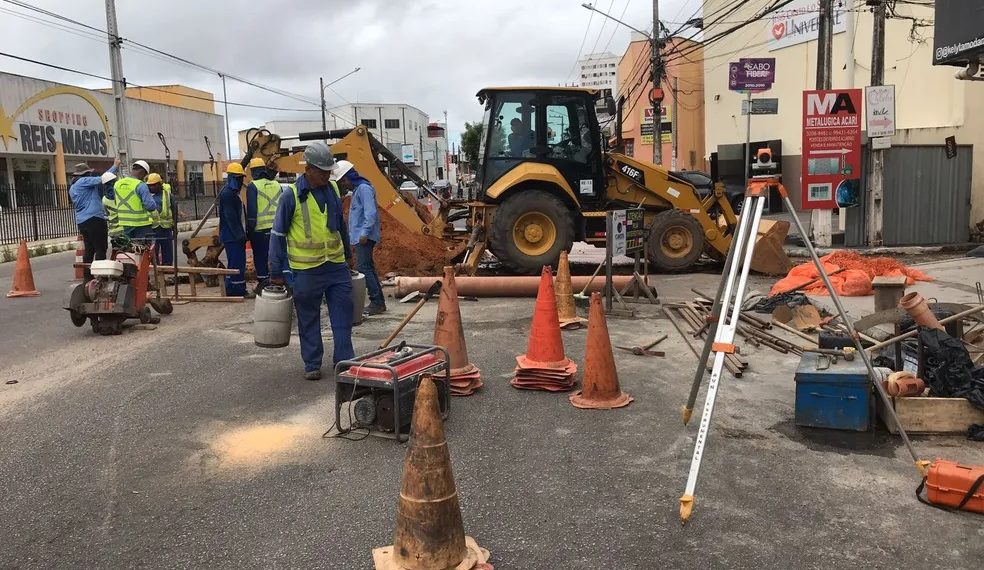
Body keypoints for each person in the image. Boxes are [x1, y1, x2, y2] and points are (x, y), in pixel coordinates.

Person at [269, 142, 354, 381]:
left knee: (343, 315)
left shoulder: (333, 189)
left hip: (336, 266)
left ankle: (344, 360)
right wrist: (276, 270)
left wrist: (348, 256)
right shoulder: (291, 196)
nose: (327, 176)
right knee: (308, 319)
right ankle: (312, 363)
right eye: (322, 171)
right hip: (306, 270)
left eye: (329, 171)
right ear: (308, 170)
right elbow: (278, 234)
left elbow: (340, 225)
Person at [332, 159, 385, 315]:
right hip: (361, 236)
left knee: (364, 268)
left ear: (349, 177)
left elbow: (371, 213)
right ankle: (379, 301)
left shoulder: (363, 189)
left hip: (365, 237)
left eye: (343, 181)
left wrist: (364, 233)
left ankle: (376, 302)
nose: (343, 184)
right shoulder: (358, 190)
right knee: (368, 267)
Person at [69, 158, 119, 279]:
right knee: (100, 248)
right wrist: (115, 166)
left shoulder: (73, 187)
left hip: (82, 221)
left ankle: (88, 278)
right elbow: (104, 178)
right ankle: (101, 277)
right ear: (86, 174)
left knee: (89, 249)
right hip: (94, 219)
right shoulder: (84, 181)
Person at [245, 157, 281, 283]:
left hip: (259, 231)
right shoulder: (277, 185)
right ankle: (278, 282)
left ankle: (263, 284)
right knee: (276, 257)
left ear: (253, 172)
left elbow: (252, 211)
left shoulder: (253, 186)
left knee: (260, 258)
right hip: (277, 229)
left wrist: (249, 230)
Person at [219, 162, 250, 298]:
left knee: (235, 263)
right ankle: (237, 290)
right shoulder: (228, 194)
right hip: (232, 236)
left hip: (233, 236)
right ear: (232, 178)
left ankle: (231, 288)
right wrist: (240, 235)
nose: (241, 181)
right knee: (237, 264)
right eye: (238, 178)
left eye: (241, 178)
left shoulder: (232, 193)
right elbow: (230, 217)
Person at [109, 160, 159, 240]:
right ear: (142, 172)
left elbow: (115, 201)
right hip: (141, 225)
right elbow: (150, 206)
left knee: (129, 246)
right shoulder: (140, 185)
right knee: (144, 247)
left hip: (124, 224)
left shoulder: (117, 184)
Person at [146, 173, 177, 265]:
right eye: (150, 185)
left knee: (167, 251)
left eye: (154, 185)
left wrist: (175, 227)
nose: (151, 187)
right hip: (152, 228)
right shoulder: (146, 196)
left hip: (166, 228)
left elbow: (174, 210)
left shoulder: (168, 195)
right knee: (153, 251)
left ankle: (167, 268)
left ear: (160, 184)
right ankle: (157, 268)